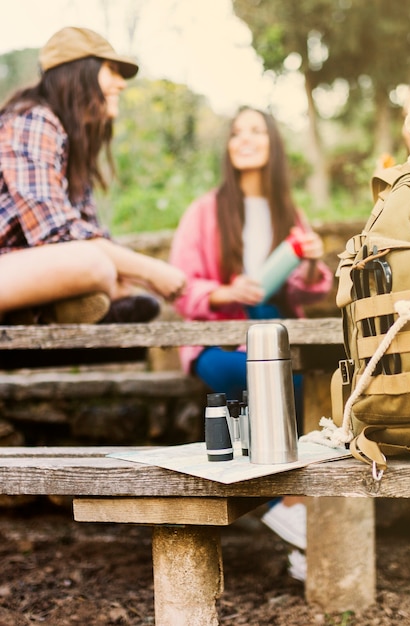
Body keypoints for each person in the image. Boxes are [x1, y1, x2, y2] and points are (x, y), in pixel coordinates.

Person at [169, 105, 333, 577]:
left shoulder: (289, 211)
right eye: (236, 132)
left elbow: (304, 290)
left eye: (257, 130)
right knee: (276, 384)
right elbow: (181, 286)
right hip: (220, 342)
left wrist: (308, 264)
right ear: (227, 147)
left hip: (275, 332)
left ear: (272, 143)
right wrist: (224, 292)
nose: (245, 139)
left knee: (294, 379)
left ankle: (298, 529)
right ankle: (287, 504)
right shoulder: (204, 212)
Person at [0, 26, 187, 327]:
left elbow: (88, 230)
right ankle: (42, 309)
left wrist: (126, 276)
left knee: (110, 277)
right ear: (78, 74)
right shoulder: (34, 120)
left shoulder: (72, 146)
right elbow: (56, 232)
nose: (121, 84)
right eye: (111, 71)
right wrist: (150, 270)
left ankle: (38, 310)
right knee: (94, 265)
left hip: (16, 268)